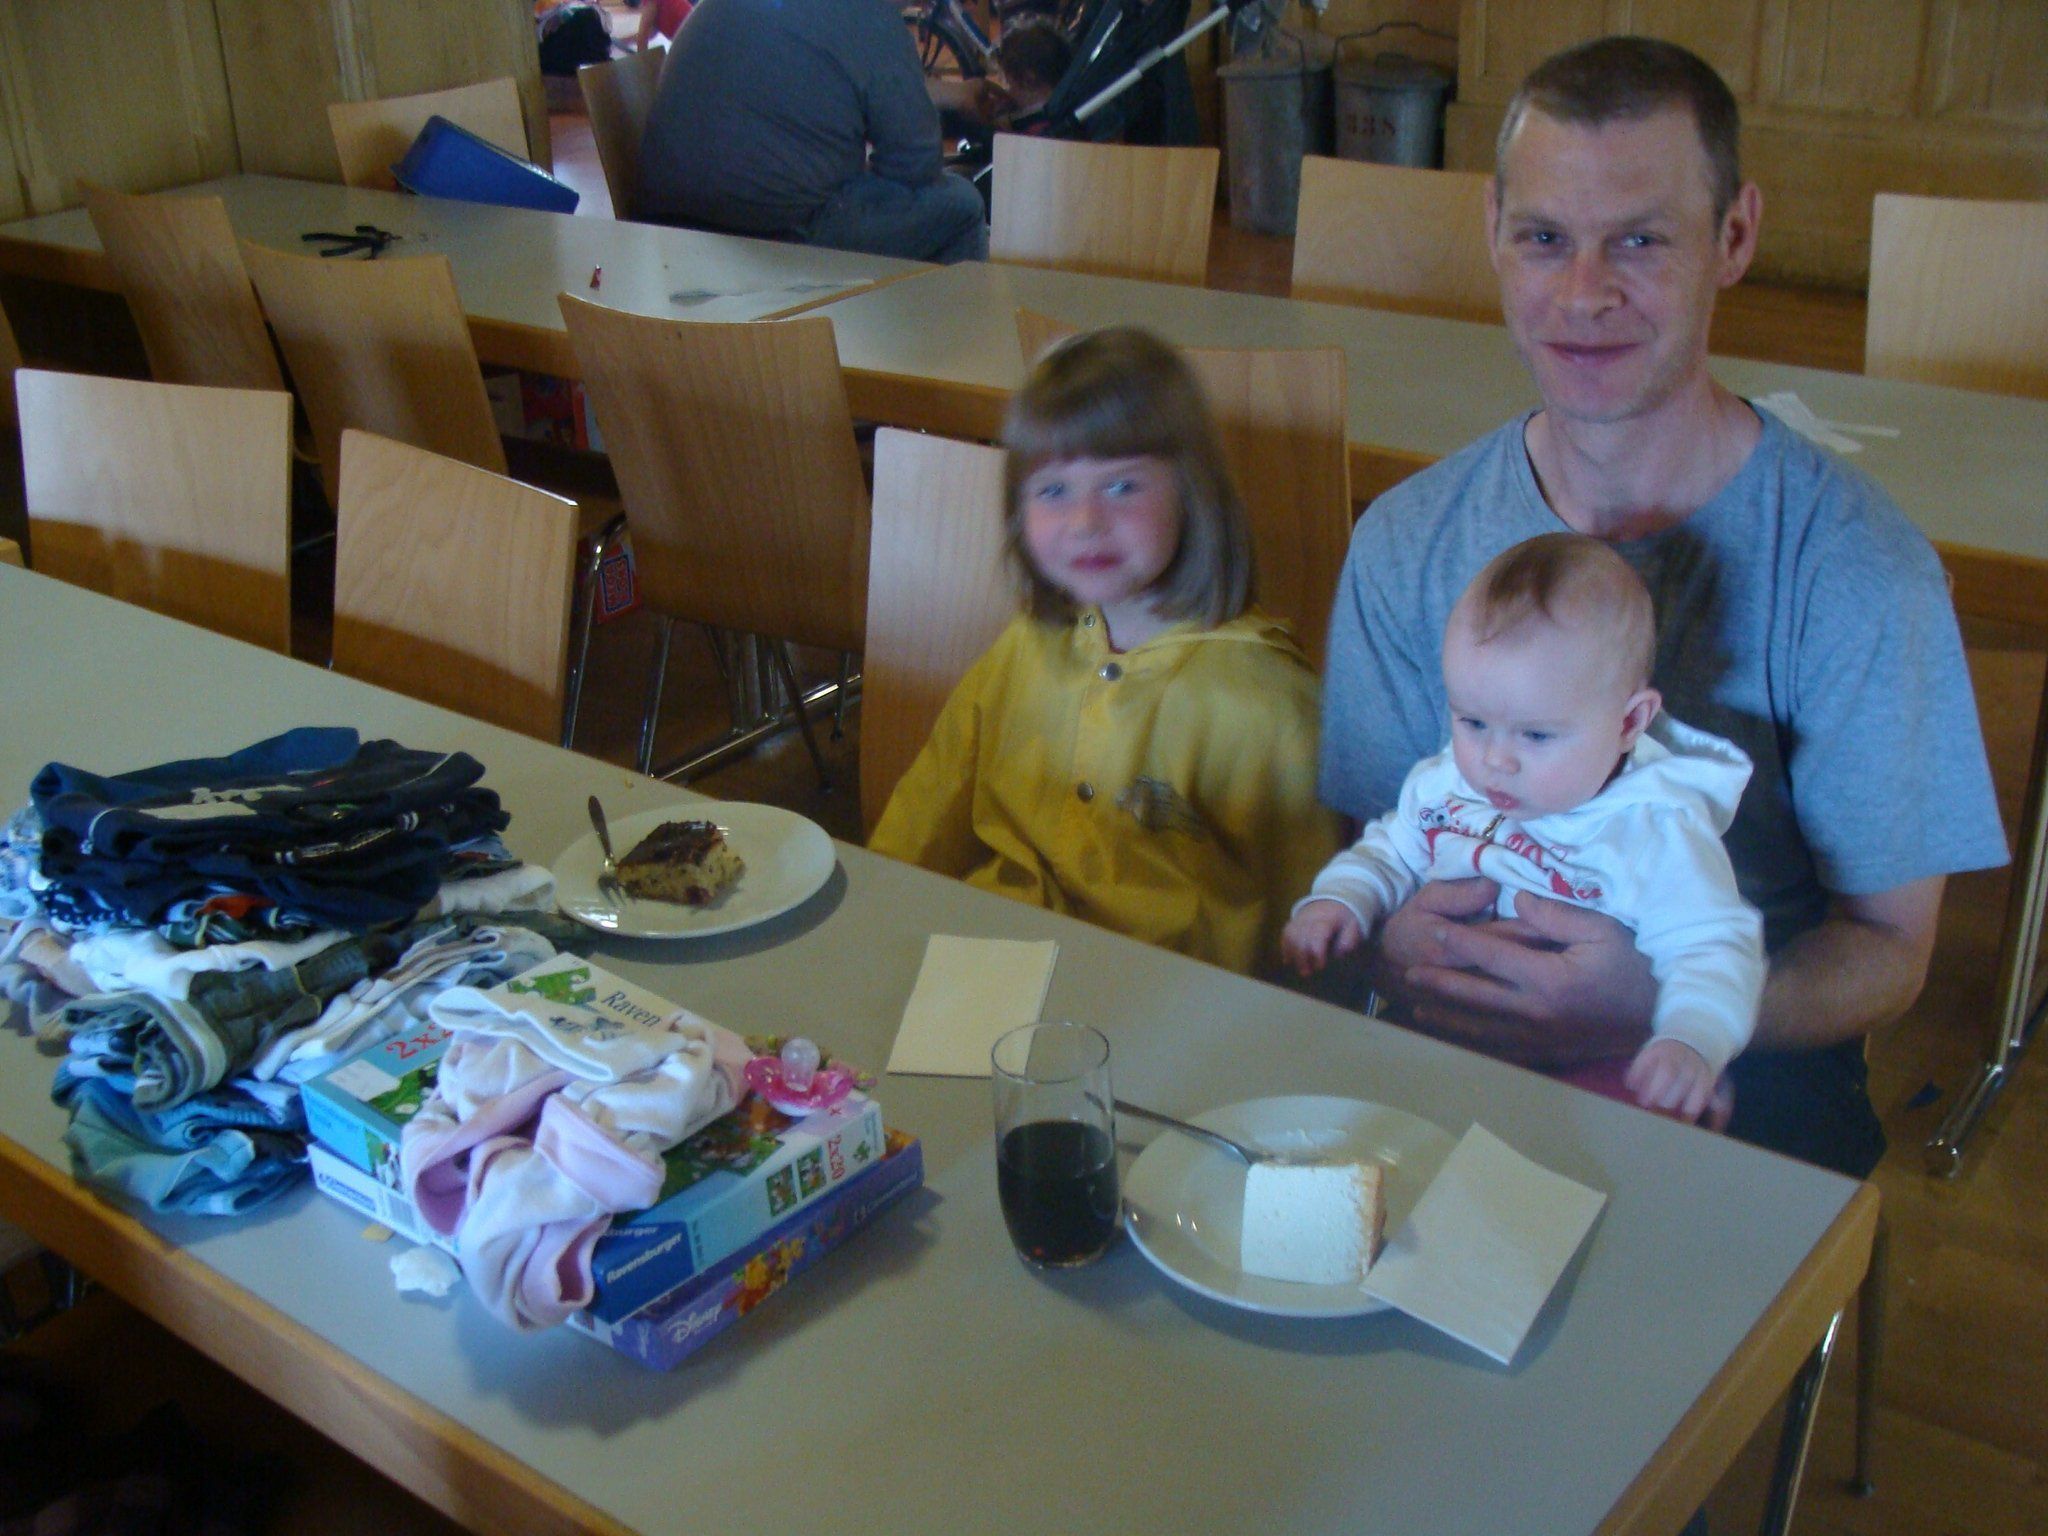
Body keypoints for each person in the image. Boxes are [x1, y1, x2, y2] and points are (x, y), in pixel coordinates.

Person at [1318, 35, 2007, 1178]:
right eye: (1544, 238)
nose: (1581, 294)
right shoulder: (1405, 539)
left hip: (1739, 1070)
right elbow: (1371, 841)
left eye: (1639, 241)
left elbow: (1889, 948)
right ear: (1492, 229)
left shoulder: (1858, 574)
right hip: (1450, 1050)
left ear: (1732, 237)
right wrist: (1388, 939)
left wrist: (1665, 1010)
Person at [869, 327, 1341, 974]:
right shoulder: (1024, 645)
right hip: (992, 968)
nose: (1085, 522)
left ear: (1192, 492)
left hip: (1163, 1003)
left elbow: (1317, 928)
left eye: (1122, 487)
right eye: (1053, 490)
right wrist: (875, 917)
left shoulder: (1268, 707)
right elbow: (928, 810)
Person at [1287, 534, 1763, 1119]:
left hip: (1592, 1062)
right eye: (1472, 722)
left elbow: (1713, 946)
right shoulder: (1448, 783)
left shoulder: (1654, 828)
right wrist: (1341, 899)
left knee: (1619, 1131)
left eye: (1535, 735)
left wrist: (1692, 1038)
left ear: (1629, 722)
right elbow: (1389, 851)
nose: (1495, 760)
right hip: (1445, 1033)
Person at [636, 0, 988, 263]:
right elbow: (916, 165)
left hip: (662, 223)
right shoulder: (873, 17)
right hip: (771, 234)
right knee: (961, 206)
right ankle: (926, 342)